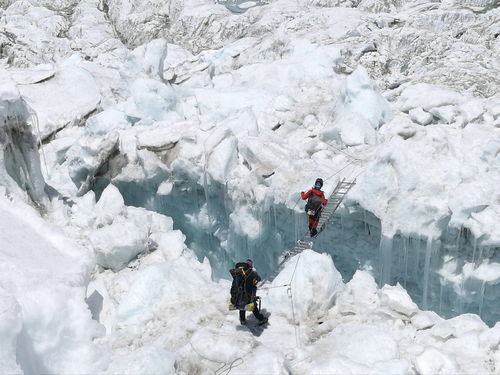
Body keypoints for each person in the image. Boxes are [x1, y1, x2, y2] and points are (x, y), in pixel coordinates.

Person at [229, 259, 268, 326]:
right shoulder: (251, 273)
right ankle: (261, 319)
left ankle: (242, 320)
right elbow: (259, 280)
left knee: (242, 303)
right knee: (253, 305)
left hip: (237, 297)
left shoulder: (238, 273)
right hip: (248, 295)